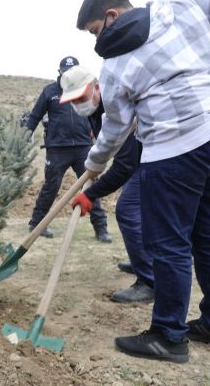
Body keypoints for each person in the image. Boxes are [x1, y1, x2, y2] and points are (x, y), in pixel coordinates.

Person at [76, 0, 210, 363]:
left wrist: (94, 163)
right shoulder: (182, 9)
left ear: (112, 15)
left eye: (95, 31)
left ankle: (168, 336)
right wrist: (207, 37)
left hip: (175, 147)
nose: (97, 41)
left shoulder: (115, 65)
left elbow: (116, 127)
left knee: (169, 243)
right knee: (208, 233)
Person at [60, 66, 153, 303]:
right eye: (73, 100)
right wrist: (96, 165)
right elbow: (109, 146)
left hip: (156, 155)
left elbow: (124, 165)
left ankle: (149, 281)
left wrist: (91, 194)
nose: (78, 104)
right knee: (142, 212)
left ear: (96, 87)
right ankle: (145, 260)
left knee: (128, 210)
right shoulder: (93, 112)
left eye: (81, 97)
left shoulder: (113, 105)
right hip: (141, 158)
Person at [22, 56, 111, 241]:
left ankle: (101, 230)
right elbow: (35, 116)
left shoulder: (86, 90)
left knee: (90, 186)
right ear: (59, 72)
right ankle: (37, 225)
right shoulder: (50, 92)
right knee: (51, 187)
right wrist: (24, 136)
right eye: (65, 71)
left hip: (83, 147)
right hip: (57, 148)